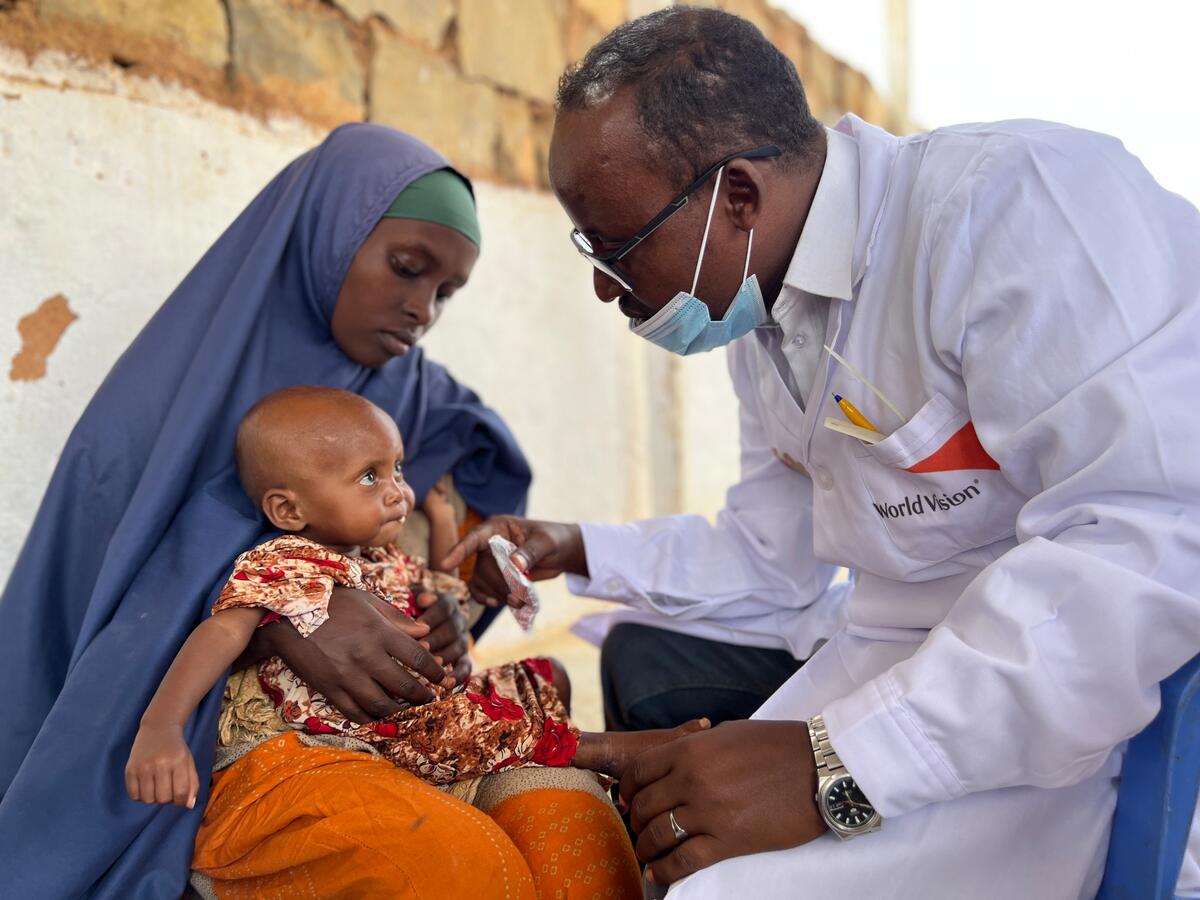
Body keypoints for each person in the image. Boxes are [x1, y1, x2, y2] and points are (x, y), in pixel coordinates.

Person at [445, 7, 1200, 898]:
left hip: (1071, 721)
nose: (606, 286)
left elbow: (1146, 549)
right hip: (899, 675)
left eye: (620, 246)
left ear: (739, 198)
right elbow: (772, 561)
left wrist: (836, 766)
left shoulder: (1011, 207)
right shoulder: (762, 321)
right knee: (654, 858)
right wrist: (578, 545)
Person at [0, 125, 638, 899]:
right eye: (405, 269)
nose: (422, 309)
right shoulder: (149, 416)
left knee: (578, 846)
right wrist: (285, 613)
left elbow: (468, 491)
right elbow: (107, 624)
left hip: (404, 732)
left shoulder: (407, 397)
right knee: (458, 867)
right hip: (229, 752)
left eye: (446, 292)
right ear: (328, 240)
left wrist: (441, 603)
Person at [126, 385, 706, 808]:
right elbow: (222, 632)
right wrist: (162, 728)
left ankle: (571, 752)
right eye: (369, 477)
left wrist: (439, 514)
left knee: (544, 673)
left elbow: (442, 586)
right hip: (365, 723)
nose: (397, 490)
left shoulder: (380, 558)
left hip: (423, 703)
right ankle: (608, 753)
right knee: (473, 719)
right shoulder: (285, 563)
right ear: (288, 510)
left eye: (398, 468)